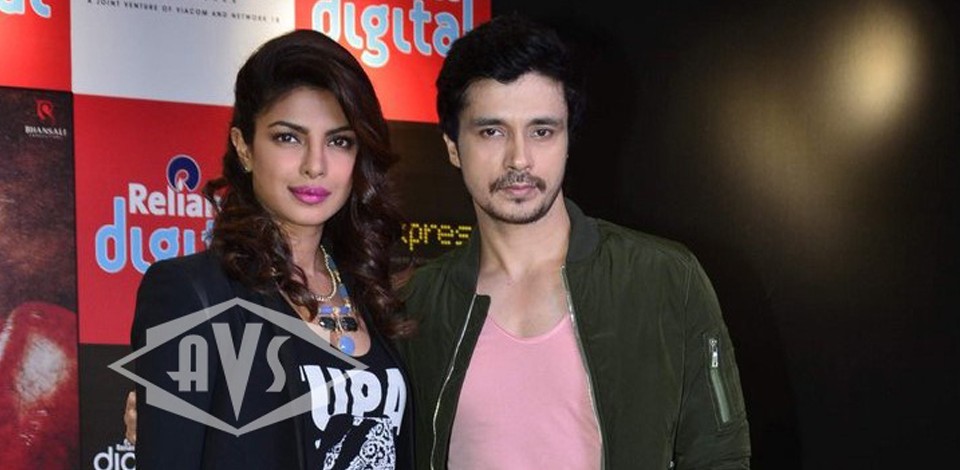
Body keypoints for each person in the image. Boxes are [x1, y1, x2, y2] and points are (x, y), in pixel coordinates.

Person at [397, 13, 751, 469]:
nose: (519, 158)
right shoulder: (419, 303)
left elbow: (719, 456)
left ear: (568, 140)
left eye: (542, 131)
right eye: (492, 131)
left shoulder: (665, 279)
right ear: (452, 146)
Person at [130, 29, 413, 469]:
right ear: (244, 147)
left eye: (339, 141)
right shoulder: (192, 294)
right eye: (288, 137)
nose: (315, 165)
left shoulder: (373, 294)